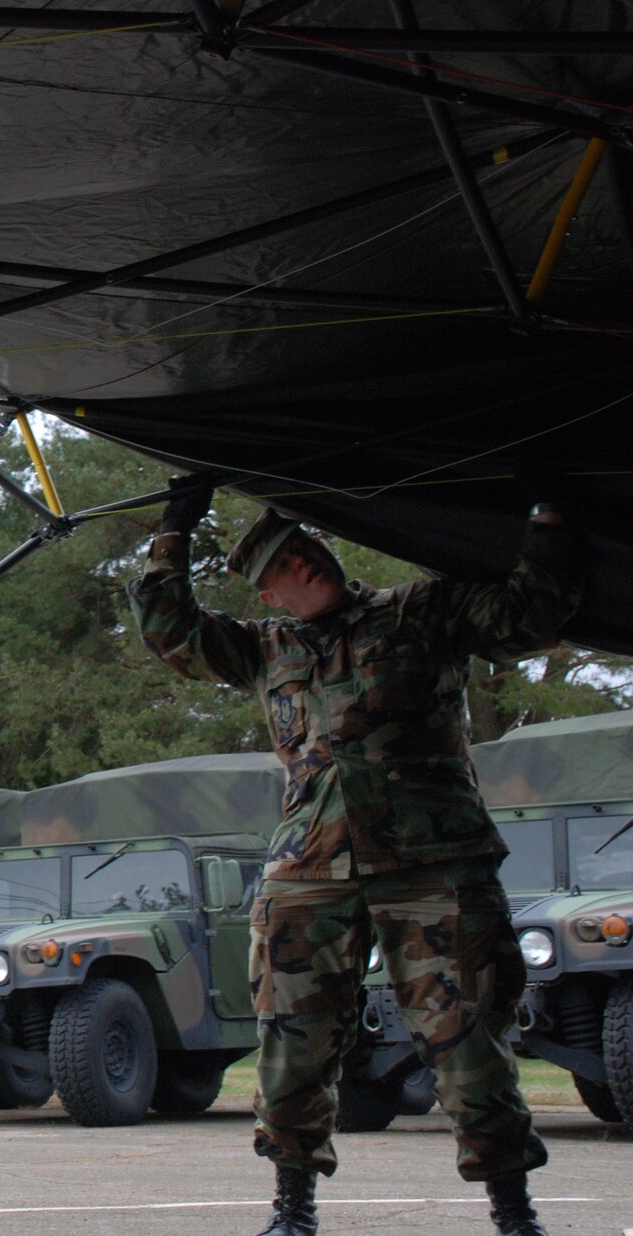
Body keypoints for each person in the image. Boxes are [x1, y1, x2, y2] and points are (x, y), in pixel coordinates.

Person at [128, 481, 580, 1236]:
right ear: (271, 593)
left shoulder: (417, 613)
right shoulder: (262, 649)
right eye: (288, 564)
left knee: (467, 1038)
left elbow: (529, 611)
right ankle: (292, 1209)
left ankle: (513, 1213)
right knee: (292, 1043)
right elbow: (169, 629)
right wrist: (174, 529)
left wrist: (547, 510)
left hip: (433, 864)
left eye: (309, 548)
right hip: (311, 873)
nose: (308, 562)